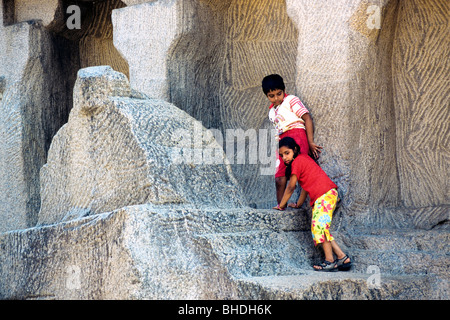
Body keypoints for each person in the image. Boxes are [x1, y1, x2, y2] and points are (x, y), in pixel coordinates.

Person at [273, 137, 351, 272]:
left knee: (319, 228)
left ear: (295, 150)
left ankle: (329, 261)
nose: (284, 157)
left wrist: (282, 205)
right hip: (327, 195)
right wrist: (299, 203)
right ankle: (342, 257)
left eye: (287, 153)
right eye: (281, 155)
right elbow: (305, 186)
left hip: (324, 196)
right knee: (321, 228)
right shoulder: (303, 160)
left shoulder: (297, 162)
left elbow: (291, 187)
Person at [262, 74, 322, 204]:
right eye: (271, 96)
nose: (276, 98)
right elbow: (277, 130)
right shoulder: (271, 112)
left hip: (297, 136)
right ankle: (281, 207)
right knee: (279, 177)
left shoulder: (291, 100)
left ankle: (321, 195)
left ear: (284, 90)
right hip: (282, 142)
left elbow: (307, 118)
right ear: (266, 96)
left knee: (301, 173)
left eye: (279, 93)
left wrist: (310, 142)